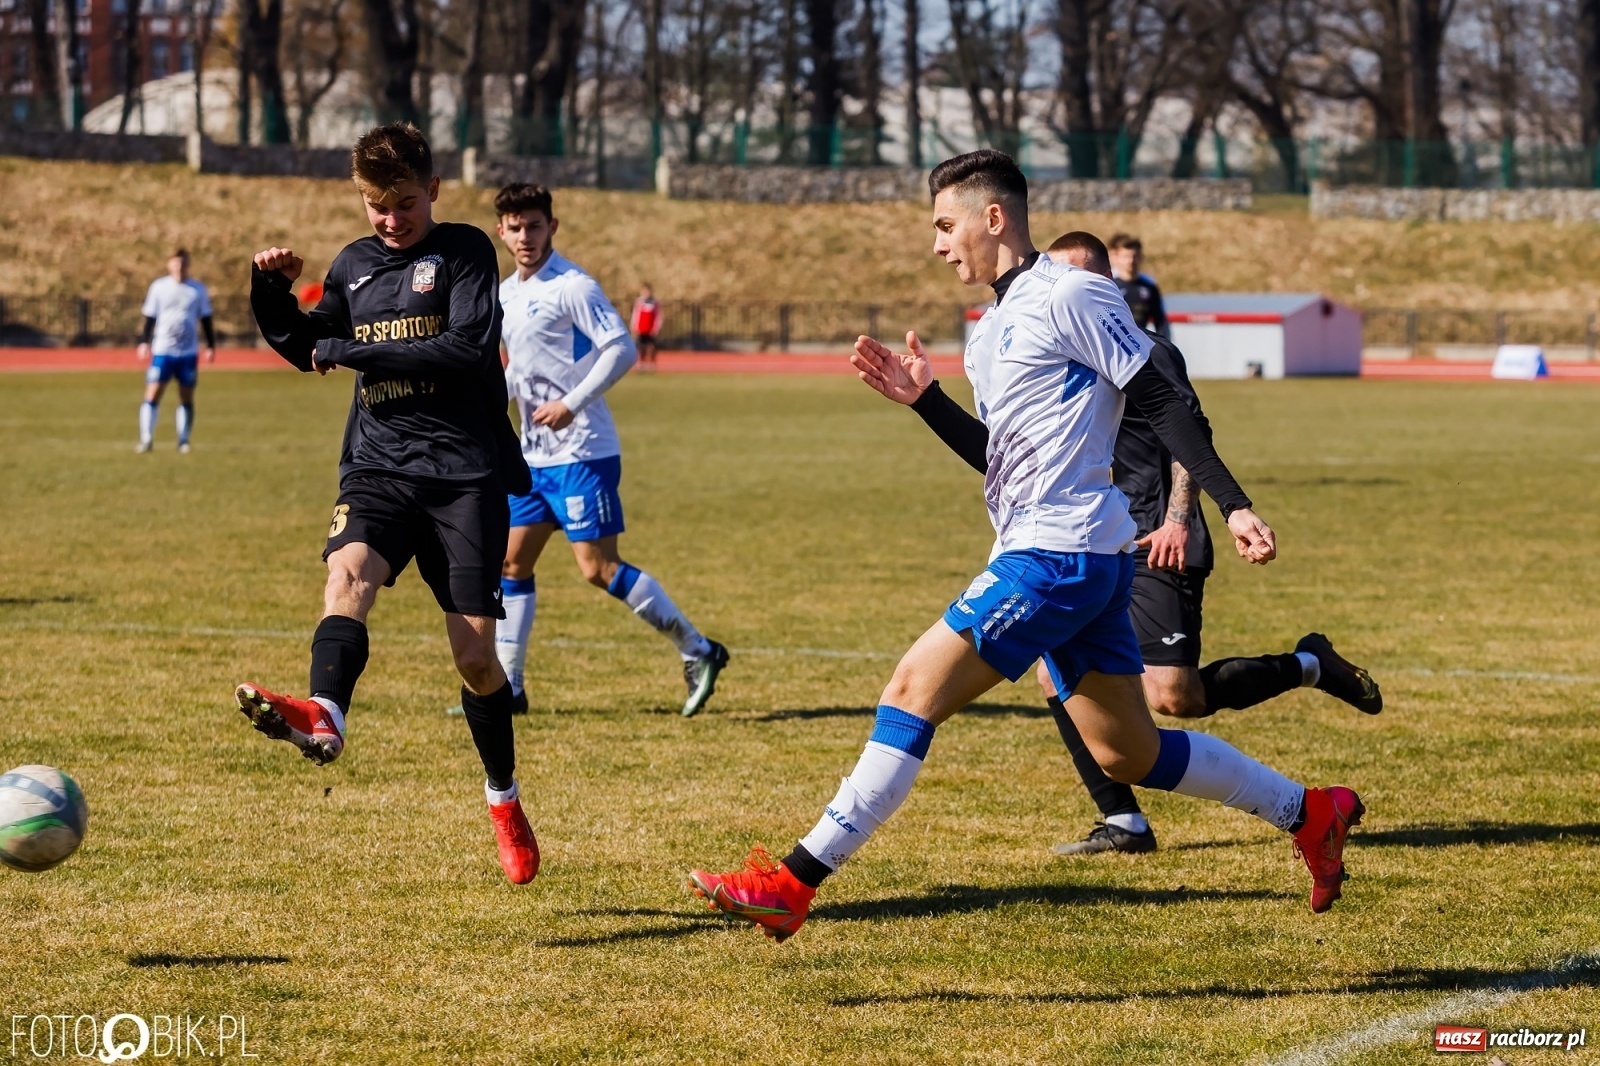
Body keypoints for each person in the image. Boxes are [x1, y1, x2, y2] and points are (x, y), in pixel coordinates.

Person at [687, 150, 1364, 941]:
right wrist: (925, 402)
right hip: (1084, 558)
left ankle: (792, 884)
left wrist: (1232, 503)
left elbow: (1162, 397)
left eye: (946, 225)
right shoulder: (989, 331)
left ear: (994, 217)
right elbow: (1000, 458)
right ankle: (1306, 812)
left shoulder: (1072, 291)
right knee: (1127, 753)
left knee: (912, 690)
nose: (940, 245)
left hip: (1058, 555)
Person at [235, 122, 541, 885]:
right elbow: (308, 343)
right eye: (377, 206)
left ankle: (502, 797)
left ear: (432, 190)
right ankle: (324, 715)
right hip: (379, 466)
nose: (391, 220)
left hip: (464, 475)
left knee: (475, 659)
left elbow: (464, 350)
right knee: (348, 576)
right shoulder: (354, 266)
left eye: (404, 203)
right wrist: (267, 290)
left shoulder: (466, 251)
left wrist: (354, 351)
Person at [1028, 231, 1383, 856]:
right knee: (1052, 671)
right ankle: (1124, 822)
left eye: (1076, 278)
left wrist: (1179, 518)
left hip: (1164, 535)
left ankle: (1309, 664)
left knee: (1175, 697)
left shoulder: (1147, 352)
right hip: (1105, 538)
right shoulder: (1063, 359)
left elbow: (1191, 433)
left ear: (1107, 285)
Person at [481, 183, 728, 719]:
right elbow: (518, 371)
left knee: (597, 569)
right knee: (510, 562)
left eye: (535, 225)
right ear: (501, 231)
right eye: (515, 226)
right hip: (534, 456)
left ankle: (700, 650)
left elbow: (619, 349)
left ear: (553, 227)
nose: (526, 236)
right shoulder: (505, 293)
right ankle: (511, 690)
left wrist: (570, 403)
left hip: (582, 451)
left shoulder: (573, 286)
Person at [135, 249, 215, 453]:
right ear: (169, 264)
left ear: (188, 264)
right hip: (163, 350)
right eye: (175, 262)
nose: (179, 266)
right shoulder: (159, 287)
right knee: (153, 393)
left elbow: (206, 318)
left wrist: (211, 345)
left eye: (183, 263)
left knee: (186, 396)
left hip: (188, 352)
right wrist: (144, 342)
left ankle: (183, 439)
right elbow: (149, 317)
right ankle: (146, 438)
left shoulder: (197, 289)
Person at [1107, 233, 1168, 338]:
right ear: (1116, 258)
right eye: (1126, 256)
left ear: (1141, 257)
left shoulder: (1149, 286)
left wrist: (1166, 345)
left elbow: (1161, 322)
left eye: (1134, 256)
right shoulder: (1109, 284)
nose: (1131, 261)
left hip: (1140, 344)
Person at [630, 284, 661, 369]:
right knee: (642, 346)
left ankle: (651, 363)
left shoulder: (654, 303)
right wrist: (634, 326)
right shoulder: (639, 302)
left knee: (651, 346)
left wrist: (656, 327)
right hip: (641, 328)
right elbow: (635, 315)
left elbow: (658, 316)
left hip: (650, 328)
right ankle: (642, 363)